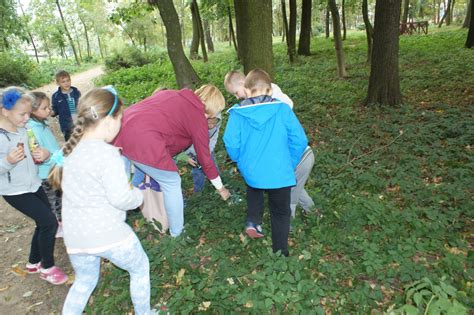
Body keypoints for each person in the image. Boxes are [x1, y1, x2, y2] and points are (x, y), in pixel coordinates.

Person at [48, 87, 151, 314]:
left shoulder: (69, 151)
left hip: (76, 238)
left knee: (84, 283)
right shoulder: (107, 155)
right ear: (107, 122)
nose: (120, 124)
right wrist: (138, 195)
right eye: (120, 119)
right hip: (109, 234)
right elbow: (121, 198)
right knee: (140, 268)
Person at [114, 85, 231, 237]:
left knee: (131, 178)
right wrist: (221, 188)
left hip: (121, 128)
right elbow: (205, 158)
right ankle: (177, 233)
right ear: (210, 109)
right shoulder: (197, 118)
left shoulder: (171, 94)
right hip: (145, 140)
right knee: (172, 182)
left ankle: (112, 215)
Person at [223, 69, 308, 256]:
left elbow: (230, 142)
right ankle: (281, 251)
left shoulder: (237, 114)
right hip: (280, 173)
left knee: (255, 189)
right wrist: (290, 161)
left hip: (254, 174)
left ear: (247, 89)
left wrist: (241, 160)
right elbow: (300, 140)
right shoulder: (283, 109)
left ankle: (254, 221)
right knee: (280, 212)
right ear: (270, 90)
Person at [0, 86, 67, 285]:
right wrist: (8, 161)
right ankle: (47, 267)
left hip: (34, 184)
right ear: (5, 111)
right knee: (49, 222)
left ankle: (33, 262)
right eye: (22, 114)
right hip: (15, 191)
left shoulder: (23, 129)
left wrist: (43, 155)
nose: (27, 118)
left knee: (44, 221)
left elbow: (33, 154)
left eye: (29, 113)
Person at [27, 92, 63, 237]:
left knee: (59, 196)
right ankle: (57, 226)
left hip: (54, 166)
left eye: (48, 107)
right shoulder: (33, 129)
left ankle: (61, 222)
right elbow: (38, 155)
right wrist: (50, 157)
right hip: (46, 172)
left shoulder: (41, 123)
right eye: (44, 108)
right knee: (54, 199)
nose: (49, 110)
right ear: (33, 111)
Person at [224, 70, 294, 108]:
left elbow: (288, 104)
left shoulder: (267, 88)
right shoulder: (247, 103)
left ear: (242, 83)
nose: (237, 97)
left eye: (236, 93)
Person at [51, 70, 81, 141]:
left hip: (79, 123)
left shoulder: (76, 92)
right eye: (63, 82)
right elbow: (55, 110)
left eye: (68, 80)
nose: (66, 83)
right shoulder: (56, 96)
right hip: (67, 126)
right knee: (71, 144)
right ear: (58, 83)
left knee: (83, 141)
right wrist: (52, 112)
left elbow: (82, 104)